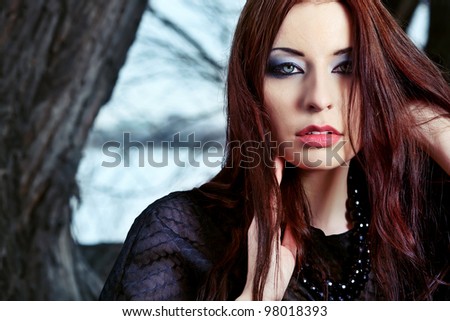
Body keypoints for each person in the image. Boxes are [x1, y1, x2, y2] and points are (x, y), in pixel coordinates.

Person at [99, 0, 450, 301]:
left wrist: (432, 126)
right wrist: (254, 303)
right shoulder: (178, 234)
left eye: (346, 67)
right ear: (252, 86)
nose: (318, 99)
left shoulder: (421, 222)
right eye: (287, 68)